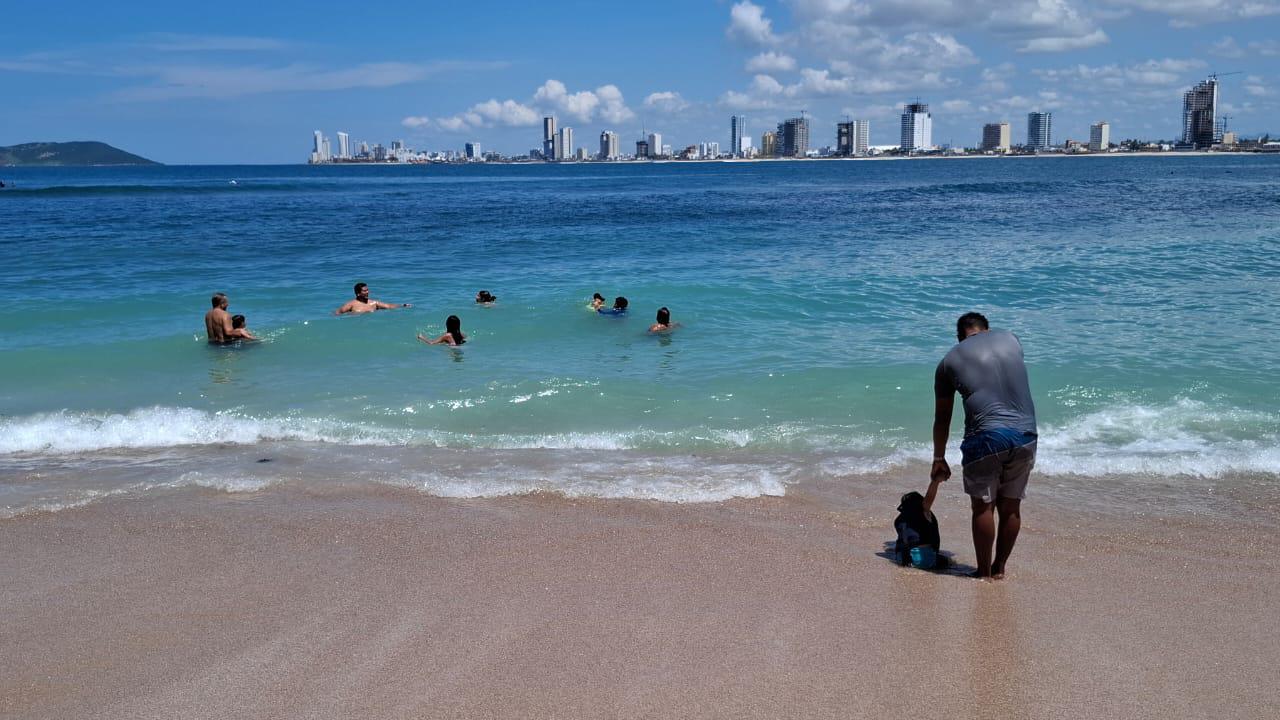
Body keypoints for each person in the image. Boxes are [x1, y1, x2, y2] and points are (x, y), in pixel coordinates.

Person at [930, 312, 1037, 580]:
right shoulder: (1011, 339)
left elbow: (942, 418)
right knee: (1011, 507)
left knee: (983, 507)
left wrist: (939, 457)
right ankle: (1000, 568)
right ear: (987, 330)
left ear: (959, 337)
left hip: (986, 437)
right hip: (1026, 435)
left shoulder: (948, 361)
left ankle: (984, 572)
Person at [335, 283, 411, 315]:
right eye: (365, 291)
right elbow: (337, 314)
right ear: (358, 293)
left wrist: (402, 305)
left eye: (367, 290)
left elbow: (388, 306)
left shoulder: (374, 303)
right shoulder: (351, 304)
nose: (367, 292)